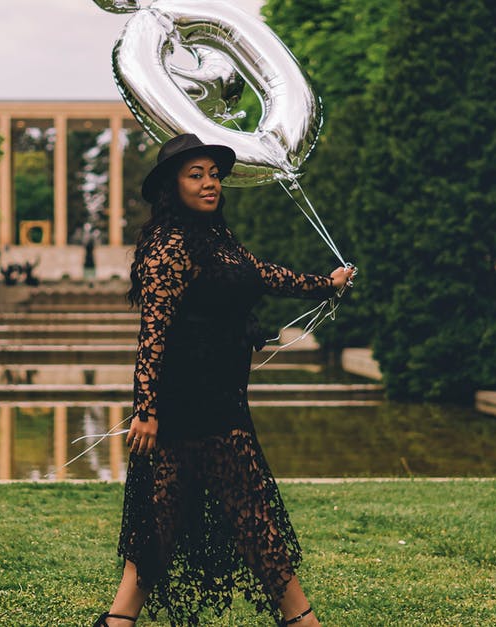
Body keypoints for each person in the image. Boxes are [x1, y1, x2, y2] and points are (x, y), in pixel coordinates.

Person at [94, 134, 357, 627]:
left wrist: (327, 283)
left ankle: (119, 621)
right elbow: (152, 335)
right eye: (196, 174)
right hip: (186, 407)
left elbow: (266, 275)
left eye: (214, 174)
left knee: (183, 521)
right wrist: (146, 413)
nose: (209, 183)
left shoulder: (219, 240)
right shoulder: (168, 247)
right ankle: (303, 621)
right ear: (173, 185)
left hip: (222, 401)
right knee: (232, 517)